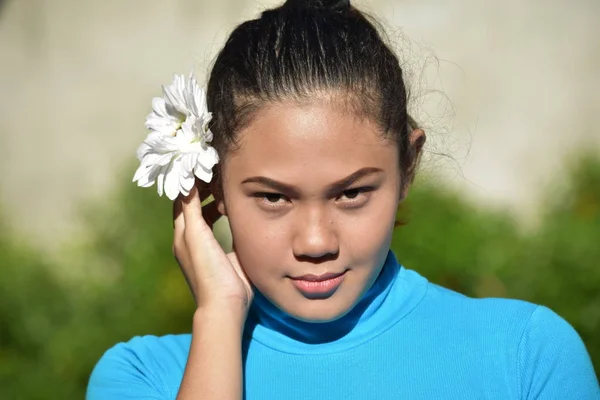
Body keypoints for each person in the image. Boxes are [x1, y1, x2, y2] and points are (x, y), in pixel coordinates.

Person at [86, 0, 600, 398]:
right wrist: (219, 316)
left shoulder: (525, 357)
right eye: (272, 198)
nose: (315, 242)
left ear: (407, 167)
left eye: (352, 193)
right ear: (210, 186)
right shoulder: (145, 379)